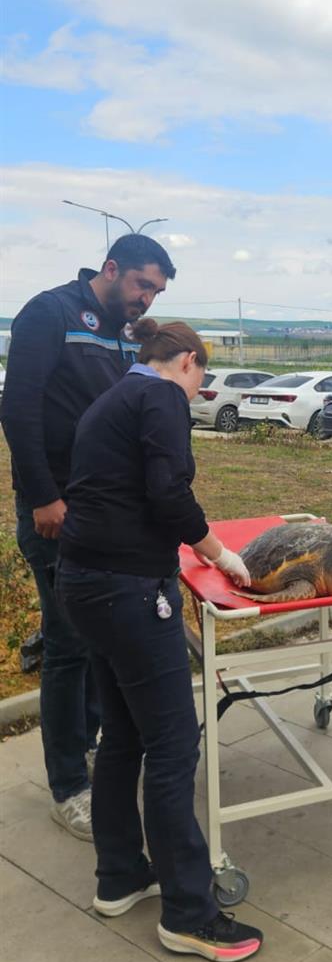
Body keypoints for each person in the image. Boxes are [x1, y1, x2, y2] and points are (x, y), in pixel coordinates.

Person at [55, 317, 263, 962]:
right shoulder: (162, 397)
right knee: (174, 744)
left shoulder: (115, 396)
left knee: (122, 735)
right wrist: (220, 553)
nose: (201, 390)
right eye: (203, 376)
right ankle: (189, 913)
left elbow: (124, 492)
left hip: (83, 582)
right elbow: (168, 492)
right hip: (128, 592)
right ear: (189, 362)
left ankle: (120, 875)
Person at [1, 233, 177, 840]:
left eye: (155, 290)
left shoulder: (127, 334)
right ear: (111, 269)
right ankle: (68, 785)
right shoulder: (49, 313)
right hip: (56, 510)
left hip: (108, 512)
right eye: (141, 284)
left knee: (101, 635)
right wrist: (43, 495)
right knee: (68, 643)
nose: (146, 298)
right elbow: (18, 409)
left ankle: (99, 746)